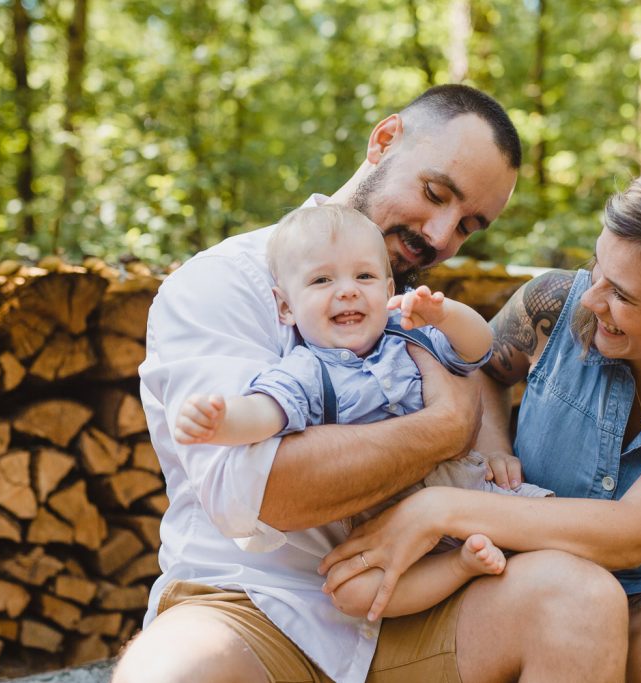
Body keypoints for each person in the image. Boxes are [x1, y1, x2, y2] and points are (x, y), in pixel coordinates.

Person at [114, 84, 629, 683]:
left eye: (468, 226)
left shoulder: (415, 308)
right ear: (383, 141)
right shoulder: (224, 284)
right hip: (253, 606)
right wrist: (443, 426)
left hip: (419, 601)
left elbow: (478, 370)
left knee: (581, 600)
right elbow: (259, 493)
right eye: (435, 193)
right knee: (171, 671)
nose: (441, 237)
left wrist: (476, 443)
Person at [320, 160, 641, 683]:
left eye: (623, 295)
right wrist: (492, 445)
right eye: (598, 267)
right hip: (514, 554)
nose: (592, 298)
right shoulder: (549, 304)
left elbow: (634, 534)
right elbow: (480, 370)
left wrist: (440, 508)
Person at [173, 204, 552, 621]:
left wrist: (444, 315)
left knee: (551, 530)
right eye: (322, 280)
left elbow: (477, 348)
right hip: (387, 528)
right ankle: (462, 564)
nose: (348, 291)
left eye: (365, 276)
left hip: (474, 494)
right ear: (286, 307)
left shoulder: (411, 336)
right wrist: (222, 421)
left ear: (389, 290)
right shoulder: (307, 370)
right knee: (353, 593)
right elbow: (267, 412)